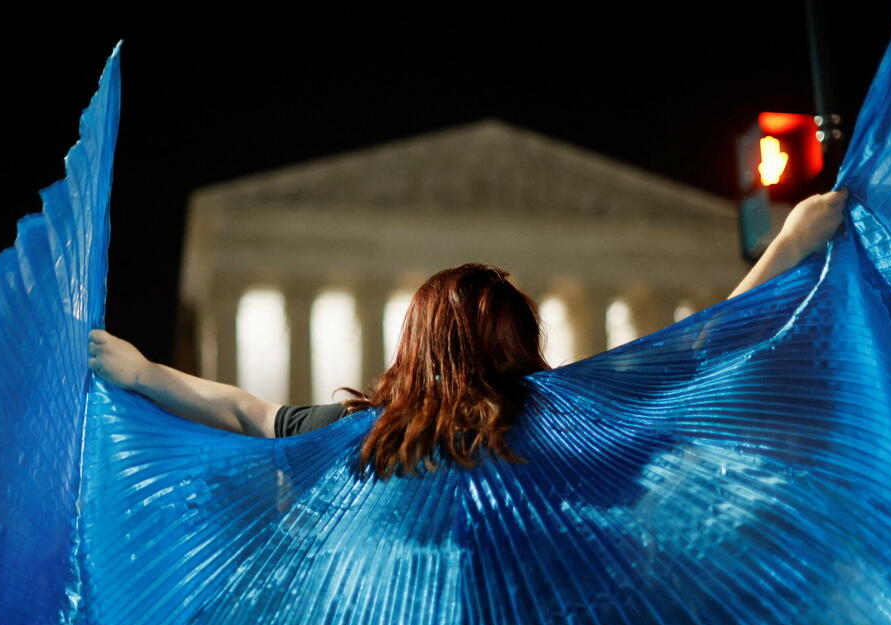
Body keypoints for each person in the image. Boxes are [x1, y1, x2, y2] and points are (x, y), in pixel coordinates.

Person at [88, 188, 847, 479]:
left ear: (419, 344)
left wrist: (143, 371)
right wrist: (787, 246)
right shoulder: (559, 416)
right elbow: (693, 352)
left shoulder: (372, 434)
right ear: (520, 344)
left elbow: (248, 413)